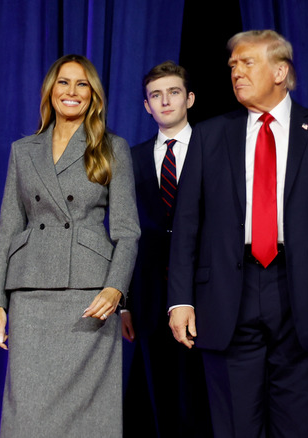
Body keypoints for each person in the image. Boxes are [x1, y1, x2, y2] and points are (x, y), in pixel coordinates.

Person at [167, 30, 308, 437]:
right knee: (235, 428)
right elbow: (187, 223)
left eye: (248, 63)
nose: (236, 73)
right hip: (228, 295)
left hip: (303, 295)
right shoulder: (209, 136)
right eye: (232, 66)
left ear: (280, 71)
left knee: (300, 427)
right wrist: (180, 299)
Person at [0, 54, 140, 438]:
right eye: (63, 83)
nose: (72, 92)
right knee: (26, 414)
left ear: (94, 95)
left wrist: (115, 288)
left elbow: (128, 231)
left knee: (89, 416)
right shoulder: (23, 150)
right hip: (31, 295)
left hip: (89, 296)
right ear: (50, 91)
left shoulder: (111, 147)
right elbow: (8, 228)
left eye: (82, 84)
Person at [120, 61, 212, 437]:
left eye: (174, 92)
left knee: (209, 397)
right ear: (146, 106)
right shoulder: (131, 157)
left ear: (189, 98)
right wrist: (124, 301)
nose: (165, 101)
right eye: (156, 95)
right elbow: (123, 231)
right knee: (164, 401)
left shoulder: (215, 148)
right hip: (151, 297)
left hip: (209, 292)